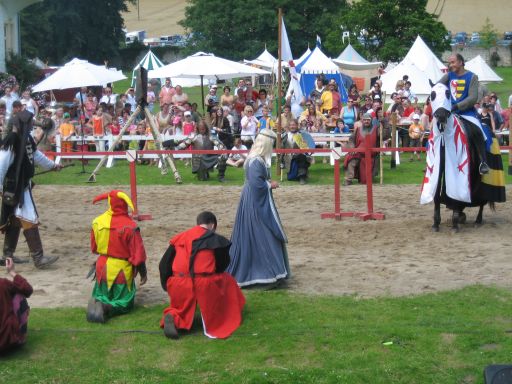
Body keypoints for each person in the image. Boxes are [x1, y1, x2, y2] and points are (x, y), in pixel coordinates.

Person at [159, 211, 245, 339]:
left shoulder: (179, 238)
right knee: (227, 280)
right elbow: (222, 266)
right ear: (212, 225)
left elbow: (164, 265)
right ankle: (225, 314)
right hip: (203, 283)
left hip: (178, 282)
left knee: (181, 308)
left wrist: (167, 285)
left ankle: (173, 316)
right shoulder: (216, 240)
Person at [0, 101, 61, 268]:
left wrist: (53, 166)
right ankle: (38, 257)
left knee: (14, 219)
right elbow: (2, 164)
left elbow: (36, 156)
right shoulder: (12, 140)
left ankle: (7, 255)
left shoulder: (26, 138)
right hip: (15, 187)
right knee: (29, 218)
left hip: (22, 185)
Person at [227, 130, 290, 287]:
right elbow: (257, 185)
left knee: (256, 235)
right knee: (263, 234)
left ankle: (270, 272)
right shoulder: (256, 161)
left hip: (251, 199)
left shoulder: (255, 159)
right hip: (255, 203)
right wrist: (270, 184)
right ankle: (267, 274)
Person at [86, 190, 148, 323]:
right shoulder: (130, 226)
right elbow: (138, 255)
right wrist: (143, 273)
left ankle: (99, 303)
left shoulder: (97, 222)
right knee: (125, 303)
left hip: (102, 267)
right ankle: (105, 308)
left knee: (103, 295)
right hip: (121, 271)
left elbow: (94, 248)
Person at [438, 53, 489, 174]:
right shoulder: (448, 76)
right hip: (449, 113)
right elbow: (438, 87)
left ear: (461, 62)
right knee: (435, 131)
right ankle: (433, 160)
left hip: (467, 113)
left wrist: (456, 106)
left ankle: (483, 162)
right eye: (449, 63)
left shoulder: (472, 77)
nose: (451, 65)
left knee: (479, 131)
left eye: (453, 62)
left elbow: (472, 98)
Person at [0, 257, 33, 353]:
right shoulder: (3, 283)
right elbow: (28, 289)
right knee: (19, 295)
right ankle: (19, 336)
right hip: (5, 343)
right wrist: (12, 272)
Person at [343, 113, 383, 186]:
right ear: (362, 120)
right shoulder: (358, 130)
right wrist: (352, 148)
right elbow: (351, 140)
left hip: (371, 154)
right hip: (358, 152)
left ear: (371, 121)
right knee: (350, 158)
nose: (366, 121)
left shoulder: (376, 129)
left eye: (368, 120)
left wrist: (384, 122)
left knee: (366, 181)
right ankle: (348, 179)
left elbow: (385, 135)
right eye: (364, 120)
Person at [281, 119, 313, 184]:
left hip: (300, 156)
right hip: (288, 157)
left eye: (294, 125)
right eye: (291, 125)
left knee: (302, 156)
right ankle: (297, 174)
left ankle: (302, 177)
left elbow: (308, 146)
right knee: (291, 178)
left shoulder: (302, 135)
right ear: (289, 126)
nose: (292, 127)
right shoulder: (285, 136)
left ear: (297, 126)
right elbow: (281, 148)